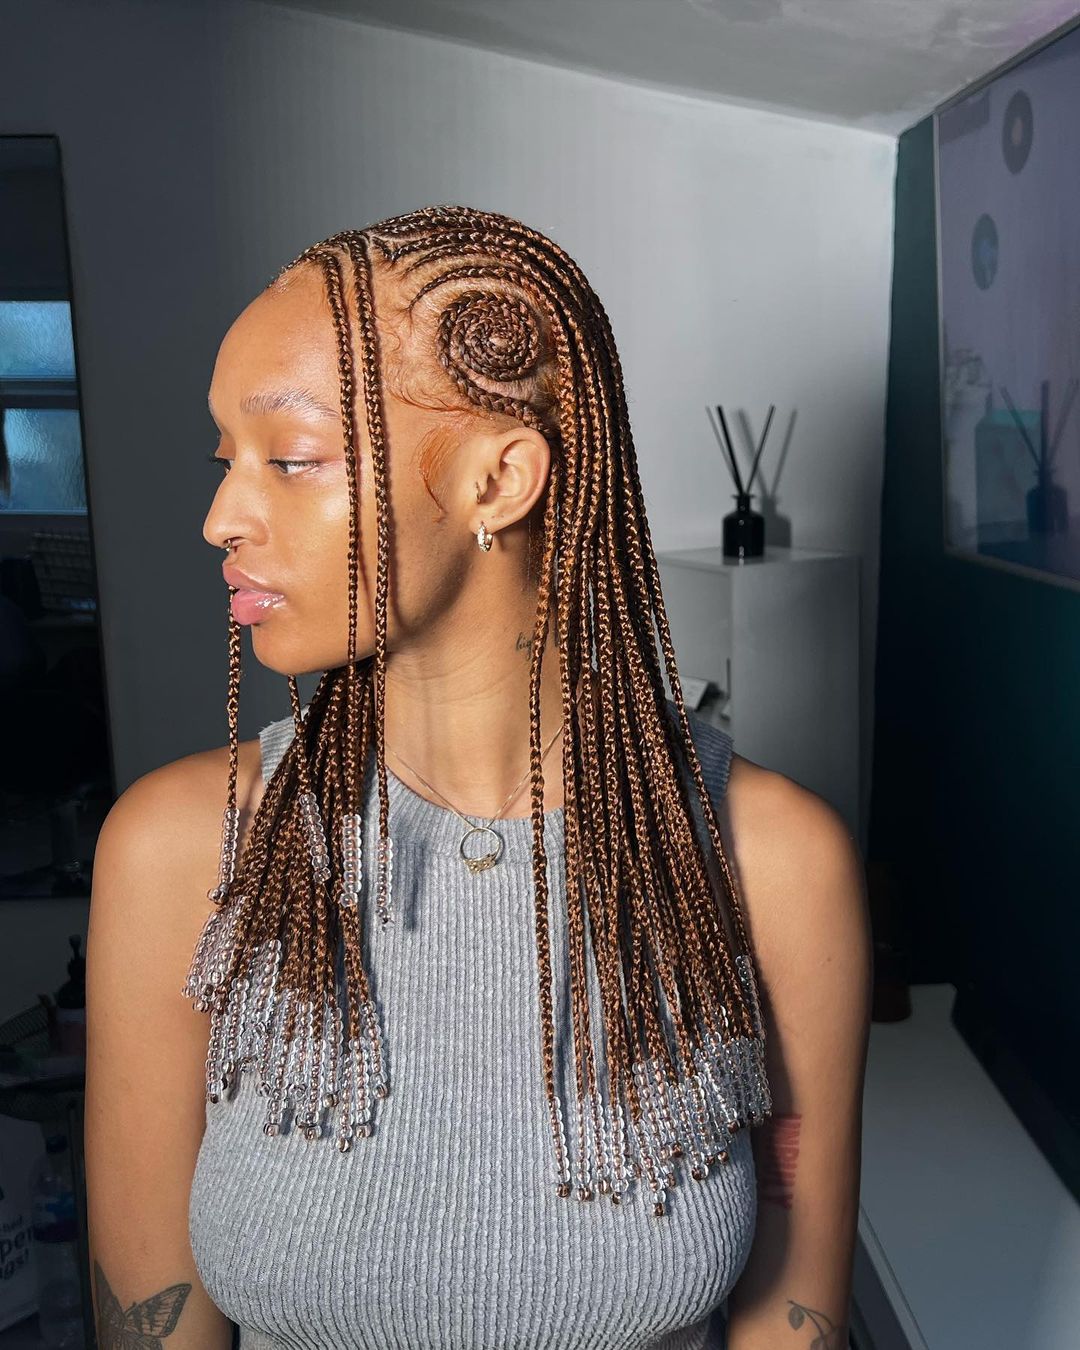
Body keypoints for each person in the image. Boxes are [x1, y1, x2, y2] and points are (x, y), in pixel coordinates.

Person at [84, 206, 871, 1350]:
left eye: (292, 461)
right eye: (228, 461)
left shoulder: (772, 863)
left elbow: (792, 1325)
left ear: (500, 480)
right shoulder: (178, 852)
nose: (222, 517)